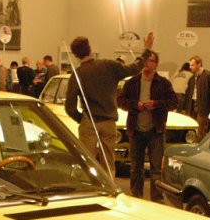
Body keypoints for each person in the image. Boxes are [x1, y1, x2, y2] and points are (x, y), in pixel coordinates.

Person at [64, 32, 154, 176]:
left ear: (75, 55)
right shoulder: (109, 65)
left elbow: (69, 106)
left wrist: (81, 119)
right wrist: (146, 50)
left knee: (87, 163)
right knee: (108, 162)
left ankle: (89, 186)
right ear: (90, 48)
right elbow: (134, 68)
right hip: (109, 122)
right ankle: (109, 185)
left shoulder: (78, 74)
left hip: (90, 122)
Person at [118, 50, 178, 202]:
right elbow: (121, 101)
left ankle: (156, 199)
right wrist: (136, 105)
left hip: (155, 130)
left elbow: (174, 102)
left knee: (156, 169)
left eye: (150, 60)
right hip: (136, 130)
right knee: (135, 168)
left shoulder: (163, 83)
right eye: (145, 60)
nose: (146, 63)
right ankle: (136, 197)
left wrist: (156, 104)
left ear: (156, 64)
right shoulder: (132, 82)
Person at [183, 55, 210, 141]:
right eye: (190, 65)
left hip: (203, 107)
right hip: (192, 106)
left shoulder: (208, 76)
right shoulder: (192, 78)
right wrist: (185, 109)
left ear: (199, 64)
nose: (190, 67)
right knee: (192, 129)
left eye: (192, 65)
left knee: (201, 130)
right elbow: (188, 94)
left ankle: (199, 144)